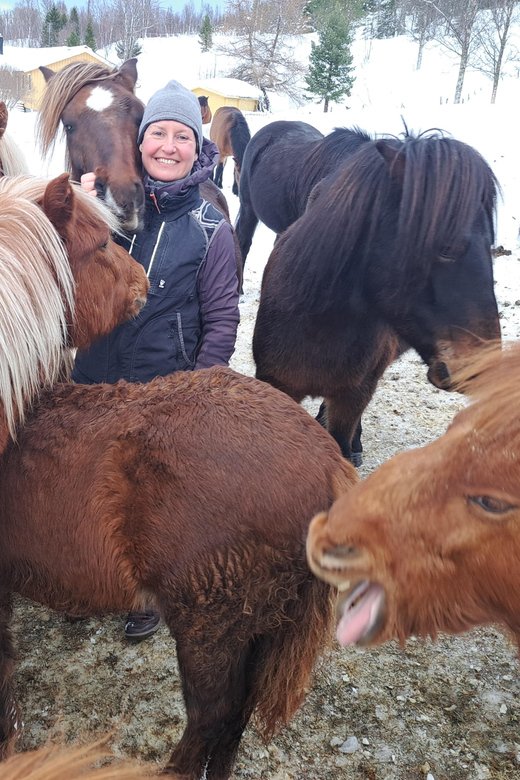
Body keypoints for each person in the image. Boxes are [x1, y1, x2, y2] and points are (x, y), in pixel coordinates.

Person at [73, 80, 240, 640]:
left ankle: (146, 592)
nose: (168, 146)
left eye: (181, 136)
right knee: (95, 481)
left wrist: (196, 395)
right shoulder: (107, 208)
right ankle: (92, 576)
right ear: (140, 143)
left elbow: (221, 321)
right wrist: (81, 201)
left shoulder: (213, 229)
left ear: (199, 147)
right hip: (94, 378)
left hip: (163, 391)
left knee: (152, 500)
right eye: (158, 135)